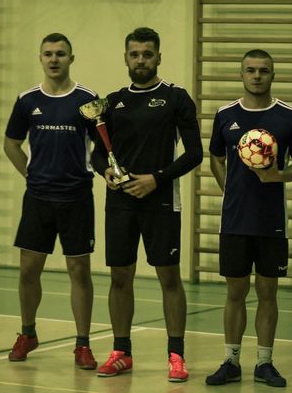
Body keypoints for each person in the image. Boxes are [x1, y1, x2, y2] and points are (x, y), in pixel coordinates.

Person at [91, 27, 202, 382]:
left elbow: (195, 153)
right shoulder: (111, 102)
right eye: (135, 54)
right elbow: (98, 154)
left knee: (169, 277)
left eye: (147, 54)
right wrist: (106, 172)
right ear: (126, 58)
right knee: (119, 277)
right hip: (120, 203)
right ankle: (121, 352)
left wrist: (156, 178)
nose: (141, 60)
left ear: (158, 58)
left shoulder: (176, 98)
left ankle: (176, 356)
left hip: (161, 201)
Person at [206, 49, 292, 387]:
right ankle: (231, 361)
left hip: (271, 221)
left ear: (272, 75)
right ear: (241, 74)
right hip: (234, 221)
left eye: (263, 70)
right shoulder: (225, 115)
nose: (256, 76)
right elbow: (215, 158)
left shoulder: (289, 116)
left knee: (268, 292)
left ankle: (264, 363)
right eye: (250, 70)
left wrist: (278, 176)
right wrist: (230, 190)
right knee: (235, 293)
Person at [3, 33, 98, 369]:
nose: (54, 59)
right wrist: (30, 174)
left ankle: (82, 344)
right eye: (48, 54)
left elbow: (104, 146)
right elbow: (11, 143)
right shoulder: (27, 100)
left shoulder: (88, 100)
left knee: (79, 271)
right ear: (40, 58)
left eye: (60, 53)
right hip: (38, 198)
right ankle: (28, 333)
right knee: (29, 270)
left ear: (71, 58)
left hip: (76, 198)